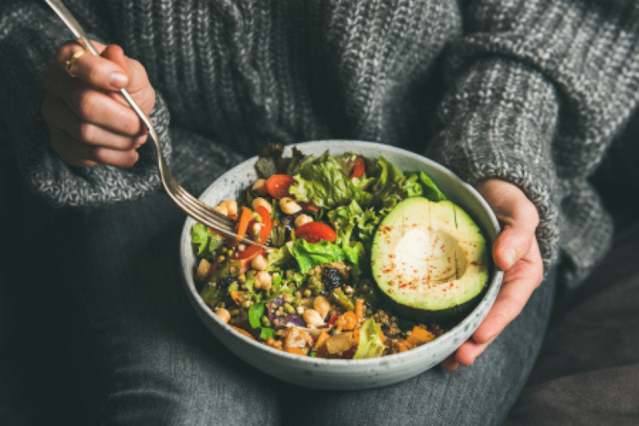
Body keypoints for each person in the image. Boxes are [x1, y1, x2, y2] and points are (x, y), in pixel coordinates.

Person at [1, 0, 638, 424]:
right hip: (147, 174)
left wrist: (501, 136)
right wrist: (62, 79)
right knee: (189, 412)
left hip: (457, 174)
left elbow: (571, 13)